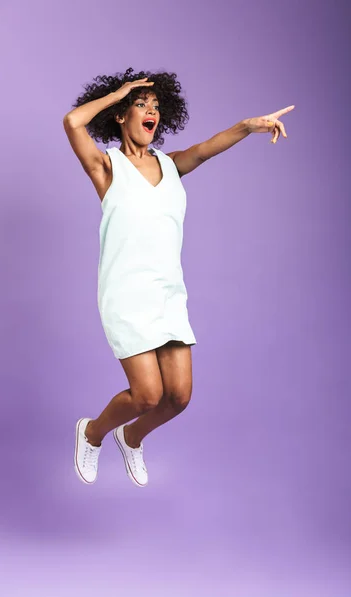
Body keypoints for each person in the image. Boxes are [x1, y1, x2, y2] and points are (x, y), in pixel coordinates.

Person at [63, 67, 294, 488]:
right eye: (140, 105)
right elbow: (72, 122)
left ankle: (130, 438)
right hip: (126, 293)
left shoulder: (170, 165)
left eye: (156, 107)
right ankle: (92, 433)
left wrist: (249, 126)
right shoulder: (106, 167)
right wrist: (119, 92)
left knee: (178, 398)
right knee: (147, 395)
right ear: (120, 114)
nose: (151, 111)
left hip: (168, 293)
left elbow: (205, 150)